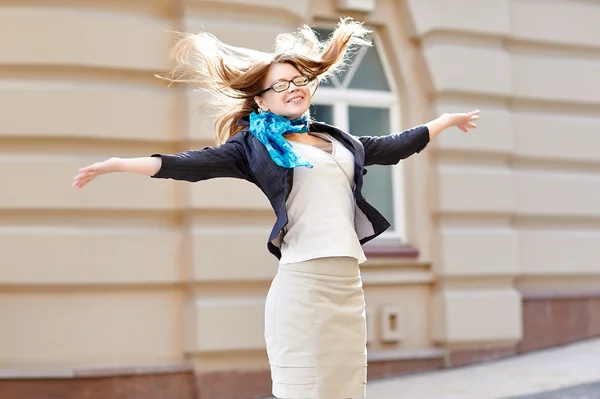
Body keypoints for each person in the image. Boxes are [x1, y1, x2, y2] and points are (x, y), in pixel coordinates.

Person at [72, 17, 479, 399]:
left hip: (347, 282)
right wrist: (120, 165)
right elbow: (190, 165)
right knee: (304, 387)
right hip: (303, 282)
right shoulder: (253, 146)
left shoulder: (340, 142)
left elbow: (393, 147)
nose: (292, 88)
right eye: (280, 85)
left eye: (298, 80)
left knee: (346, 385)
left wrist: (442, 121)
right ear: (261, 101)